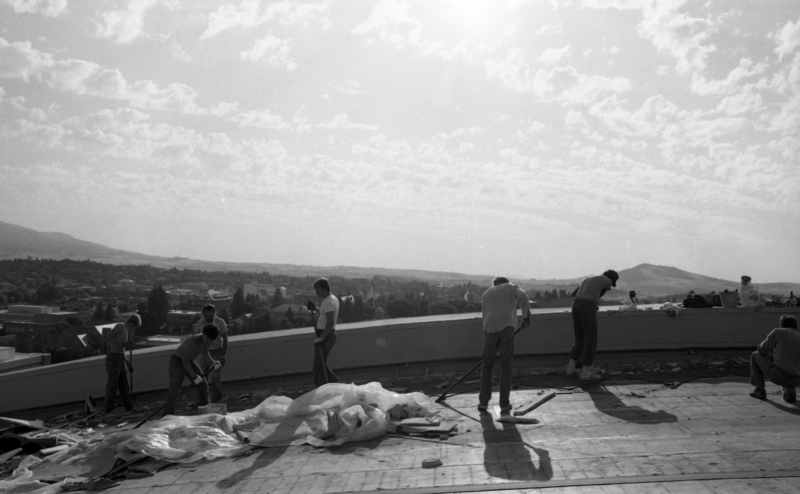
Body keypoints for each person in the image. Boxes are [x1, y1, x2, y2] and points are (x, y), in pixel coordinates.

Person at [478, 277, 530, 414]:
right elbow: (524, 297)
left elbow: (484, 315)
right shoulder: (512, 287)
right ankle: (504, 405)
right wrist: (526, 317)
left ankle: (483, 402)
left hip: (489, 329)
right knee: (505, 366)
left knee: (486, 366)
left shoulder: (487, 293)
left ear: (494, 284)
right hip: (507, 329)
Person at [566, 269, 619, 380]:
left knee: (579, 338)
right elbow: (597, 297)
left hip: (575, 304)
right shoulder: (607, 280)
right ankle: (586, 371)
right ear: (612, 279)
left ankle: (571, 367)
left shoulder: (587, 279)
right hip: (586, 305)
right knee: (590, 338)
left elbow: (574, 294)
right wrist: (594, 304)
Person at [162, 324, 221, 417]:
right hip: (177, 362)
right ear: (203, 334)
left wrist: (212, 363)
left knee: (203, 386)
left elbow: (204, 350)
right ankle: (166, 416)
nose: (206, 341)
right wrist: (194, 376)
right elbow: (185, 361)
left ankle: (204, 412)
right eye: (205, 338)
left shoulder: (209, 339)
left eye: (209, 340)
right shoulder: (194, 341)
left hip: (189, 360)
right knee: (174, 392)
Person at [749, 315, 800, 403]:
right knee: (790, 364)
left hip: (780, 376)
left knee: (755, 355)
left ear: (781, 325)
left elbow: (761, 349)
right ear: (795, 326)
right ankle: (790, 388)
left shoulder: (778, 332)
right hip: (797, 379)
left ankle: (759, 390)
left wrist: (769, 356)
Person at [103, 314, 140, 414]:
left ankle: (129, 408)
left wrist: (128, 363)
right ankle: (108, 410)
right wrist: (124, 344)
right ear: (132, 323)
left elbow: (121, 351)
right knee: (112, 385)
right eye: (134, 327)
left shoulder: (126, 332)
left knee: (124, 385)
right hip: (113, 358)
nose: (133, 329)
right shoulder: (120, 326)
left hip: (120, 359)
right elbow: (108, 338)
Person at [191, 304, 228, 403]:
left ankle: (216, 401)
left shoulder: (220, 322)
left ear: (214, 314)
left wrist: (223, 355)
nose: (209, 317)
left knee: (215, 378)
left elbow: (225, 339)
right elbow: (197, 339)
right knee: (202, 377)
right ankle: (202, 401)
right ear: (203, 314)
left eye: (211, 315)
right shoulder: (200, 324)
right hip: (205, 353)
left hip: (217, 352)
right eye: (206, 314)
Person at [306, 277, 339, 387]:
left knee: (318, 366)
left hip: (326, 335)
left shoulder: (328, 301)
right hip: (328, 334)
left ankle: (323, 389)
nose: (316, 293)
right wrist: (315, 309)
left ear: (325, 289)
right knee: (321, 364)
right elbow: (325, 314)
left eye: (318, 290)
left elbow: (330, 321)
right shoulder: (331, 299)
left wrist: (321, 337)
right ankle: (335, 385)